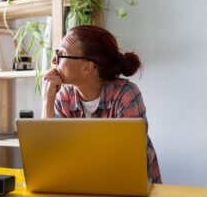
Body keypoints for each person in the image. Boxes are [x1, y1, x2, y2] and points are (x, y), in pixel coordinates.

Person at [42, 25, 162, 183]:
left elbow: (128, 162)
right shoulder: (64, 98)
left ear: (88, 67)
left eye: (62, 54)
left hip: (130, 187)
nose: (54, 60)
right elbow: (49, 159)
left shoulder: (125, 94)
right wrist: (47, 101)